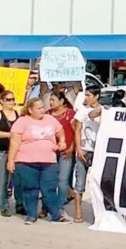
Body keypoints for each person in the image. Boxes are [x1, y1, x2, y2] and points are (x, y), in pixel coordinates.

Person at [8, 97, 67, 225]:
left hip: (49, 161)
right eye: (38, 108)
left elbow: (60, 131)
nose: (42, 110)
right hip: (26, 162)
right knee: (30, 189)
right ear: (30, 110)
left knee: (49, 189)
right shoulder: (21, 122)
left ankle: (56, 216)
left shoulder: (50, 119)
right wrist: (11, 160)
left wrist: (62, 141)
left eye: (42, 107)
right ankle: (31, 215)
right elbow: (14, 142)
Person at [46, 90, 78, 221]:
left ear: (62, 101)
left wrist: (72, 148)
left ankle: (59, 207)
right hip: (51, 151)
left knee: (63, 180)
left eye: (53, 100)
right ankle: (46, 207)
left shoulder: (70, 114)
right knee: (49, 180)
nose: (51, 102)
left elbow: (77, 132)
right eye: (50, 100)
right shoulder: (48, 114)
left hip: (66, 151)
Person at [0, 87, 20, 217]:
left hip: (16, 151)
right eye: (8, 100)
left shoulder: (18, 114)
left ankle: (20, 204)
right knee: (3, 180)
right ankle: (2, 205)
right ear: (2, 101)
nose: (11, 102)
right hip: (1, 151)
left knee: (18, 179)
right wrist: (9, 135)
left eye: (13, 100)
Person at [74, 86, 102, 223]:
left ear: (96, 96)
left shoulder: (104, 111)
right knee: (79, 183)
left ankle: (98, 213)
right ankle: (78, 212)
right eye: (85, 95)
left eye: (89, 95)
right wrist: (79, 148)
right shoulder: (82, 111)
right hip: (84, 148)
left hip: (97, 151)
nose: (86, 98)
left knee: (97, 183)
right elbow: (77, 129)